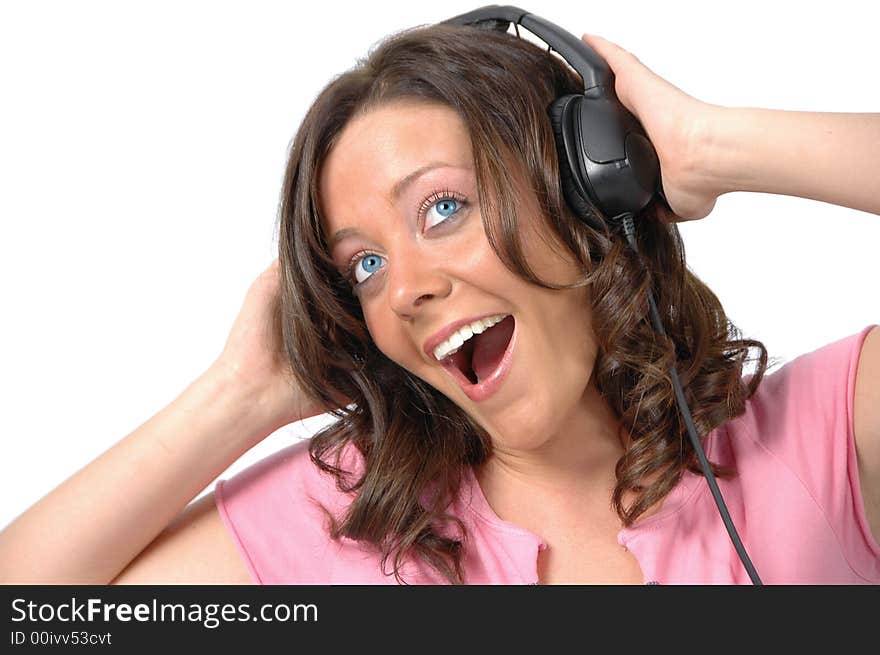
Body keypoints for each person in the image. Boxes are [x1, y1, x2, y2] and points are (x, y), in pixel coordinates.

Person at [0, 20, 878, 585]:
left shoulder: (816, 440)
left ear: (578, 197)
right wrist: (244, 393)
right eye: (366, 265)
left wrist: (706, 148)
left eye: (443, 208)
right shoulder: (356, 525)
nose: (409, 287)